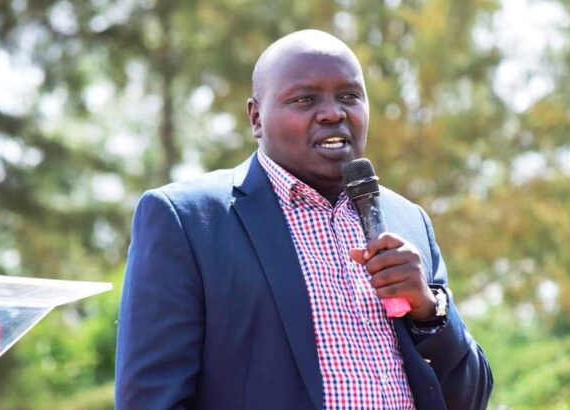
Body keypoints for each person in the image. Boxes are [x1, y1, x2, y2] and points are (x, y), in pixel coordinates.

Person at [115, 29, 493, 410]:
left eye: (349, 96)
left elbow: (470, 399)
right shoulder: (188, 221)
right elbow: (150, 400)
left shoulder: (409, 221)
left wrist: (428, 309)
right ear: (256, 118)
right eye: (304, 99)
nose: (333, 113)